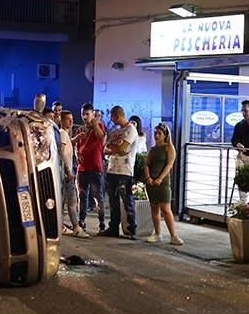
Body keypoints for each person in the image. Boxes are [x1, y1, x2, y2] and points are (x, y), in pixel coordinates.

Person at [101, 105, 138, 239]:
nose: (111, 119)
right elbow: (105, 148)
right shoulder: (115, 131)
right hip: (112, 169)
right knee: (113, 202)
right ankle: (113, 228)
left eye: (112, 116)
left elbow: (123, 149)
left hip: (125, 171)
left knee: (127, 201)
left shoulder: (131, 130)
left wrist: (114, 148)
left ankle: (131, 229)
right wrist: (115, 148)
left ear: (118, 116)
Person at [143, 123, 183, 245]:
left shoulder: (169, 148)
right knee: (154, 208)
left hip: (163, 181)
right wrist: (148, 177)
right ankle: (157, 234)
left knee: (165, 208)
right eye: (155, 133)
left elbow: (169, 165)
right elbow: (147, 164)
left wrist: (160, 178)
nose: (156, 135)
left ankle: (173, 235)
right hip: (151, 181)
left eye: (159, 133)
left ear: (165, 135)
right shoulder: (152, 149)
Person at [75, 103, 106, 233]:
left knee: (98, 197)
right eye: (83, 114)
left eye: (87, 114)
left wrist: (94, 125)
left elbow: (101, 137)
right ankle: (81, 221)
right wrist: (77, 155)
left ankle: (102, 224)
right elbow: (77, 146)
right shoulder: (80, 130)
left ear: (93, 114)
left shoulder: (98, 126)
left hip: (95, 168)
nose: (85, 117)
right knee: (83, 196)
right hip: (82, 169)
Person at [58, 110, 89, 238]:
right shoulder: (63, 133)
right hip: (67, 174)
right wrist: (68, 171)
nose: (71, 122)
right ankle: (76, 227)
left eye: (71, 119)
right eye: (67, 119)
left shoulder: (62, 134)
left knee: (63, 201)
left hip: (64, 173)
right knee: (72, 202)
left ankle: (62, 226)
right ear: (61, 120)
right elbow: (63, 153)